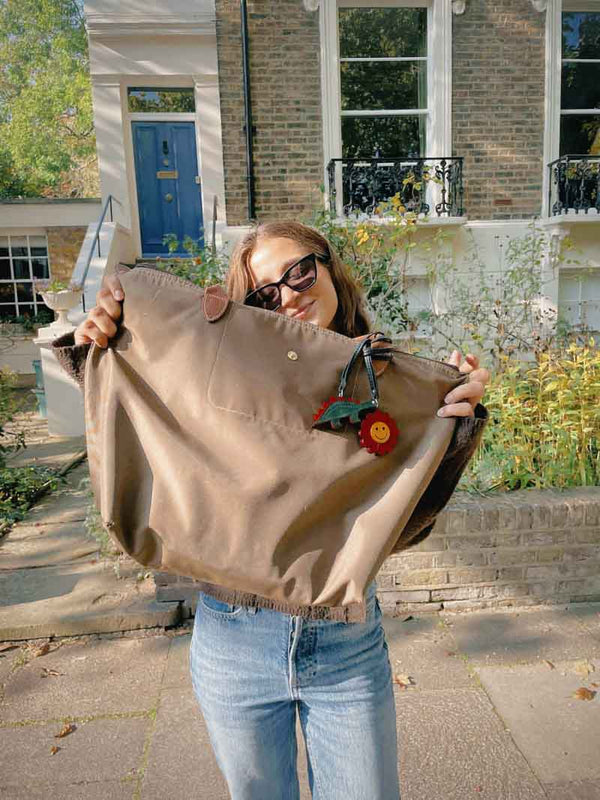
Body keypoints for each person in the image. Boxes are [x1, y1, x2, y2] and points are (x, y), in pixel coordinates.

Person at [53, 220, 490, 800]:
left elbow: (405, 531)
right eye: (263, 293)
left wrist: (455, 429)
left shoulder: (385, 383)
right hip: (232, 642)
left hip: (345, 646)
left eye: (300, 271)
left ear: (329, 266)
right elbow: (152, 436)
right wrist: (99, 353)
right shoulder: (219, 387)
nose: (288, 294)